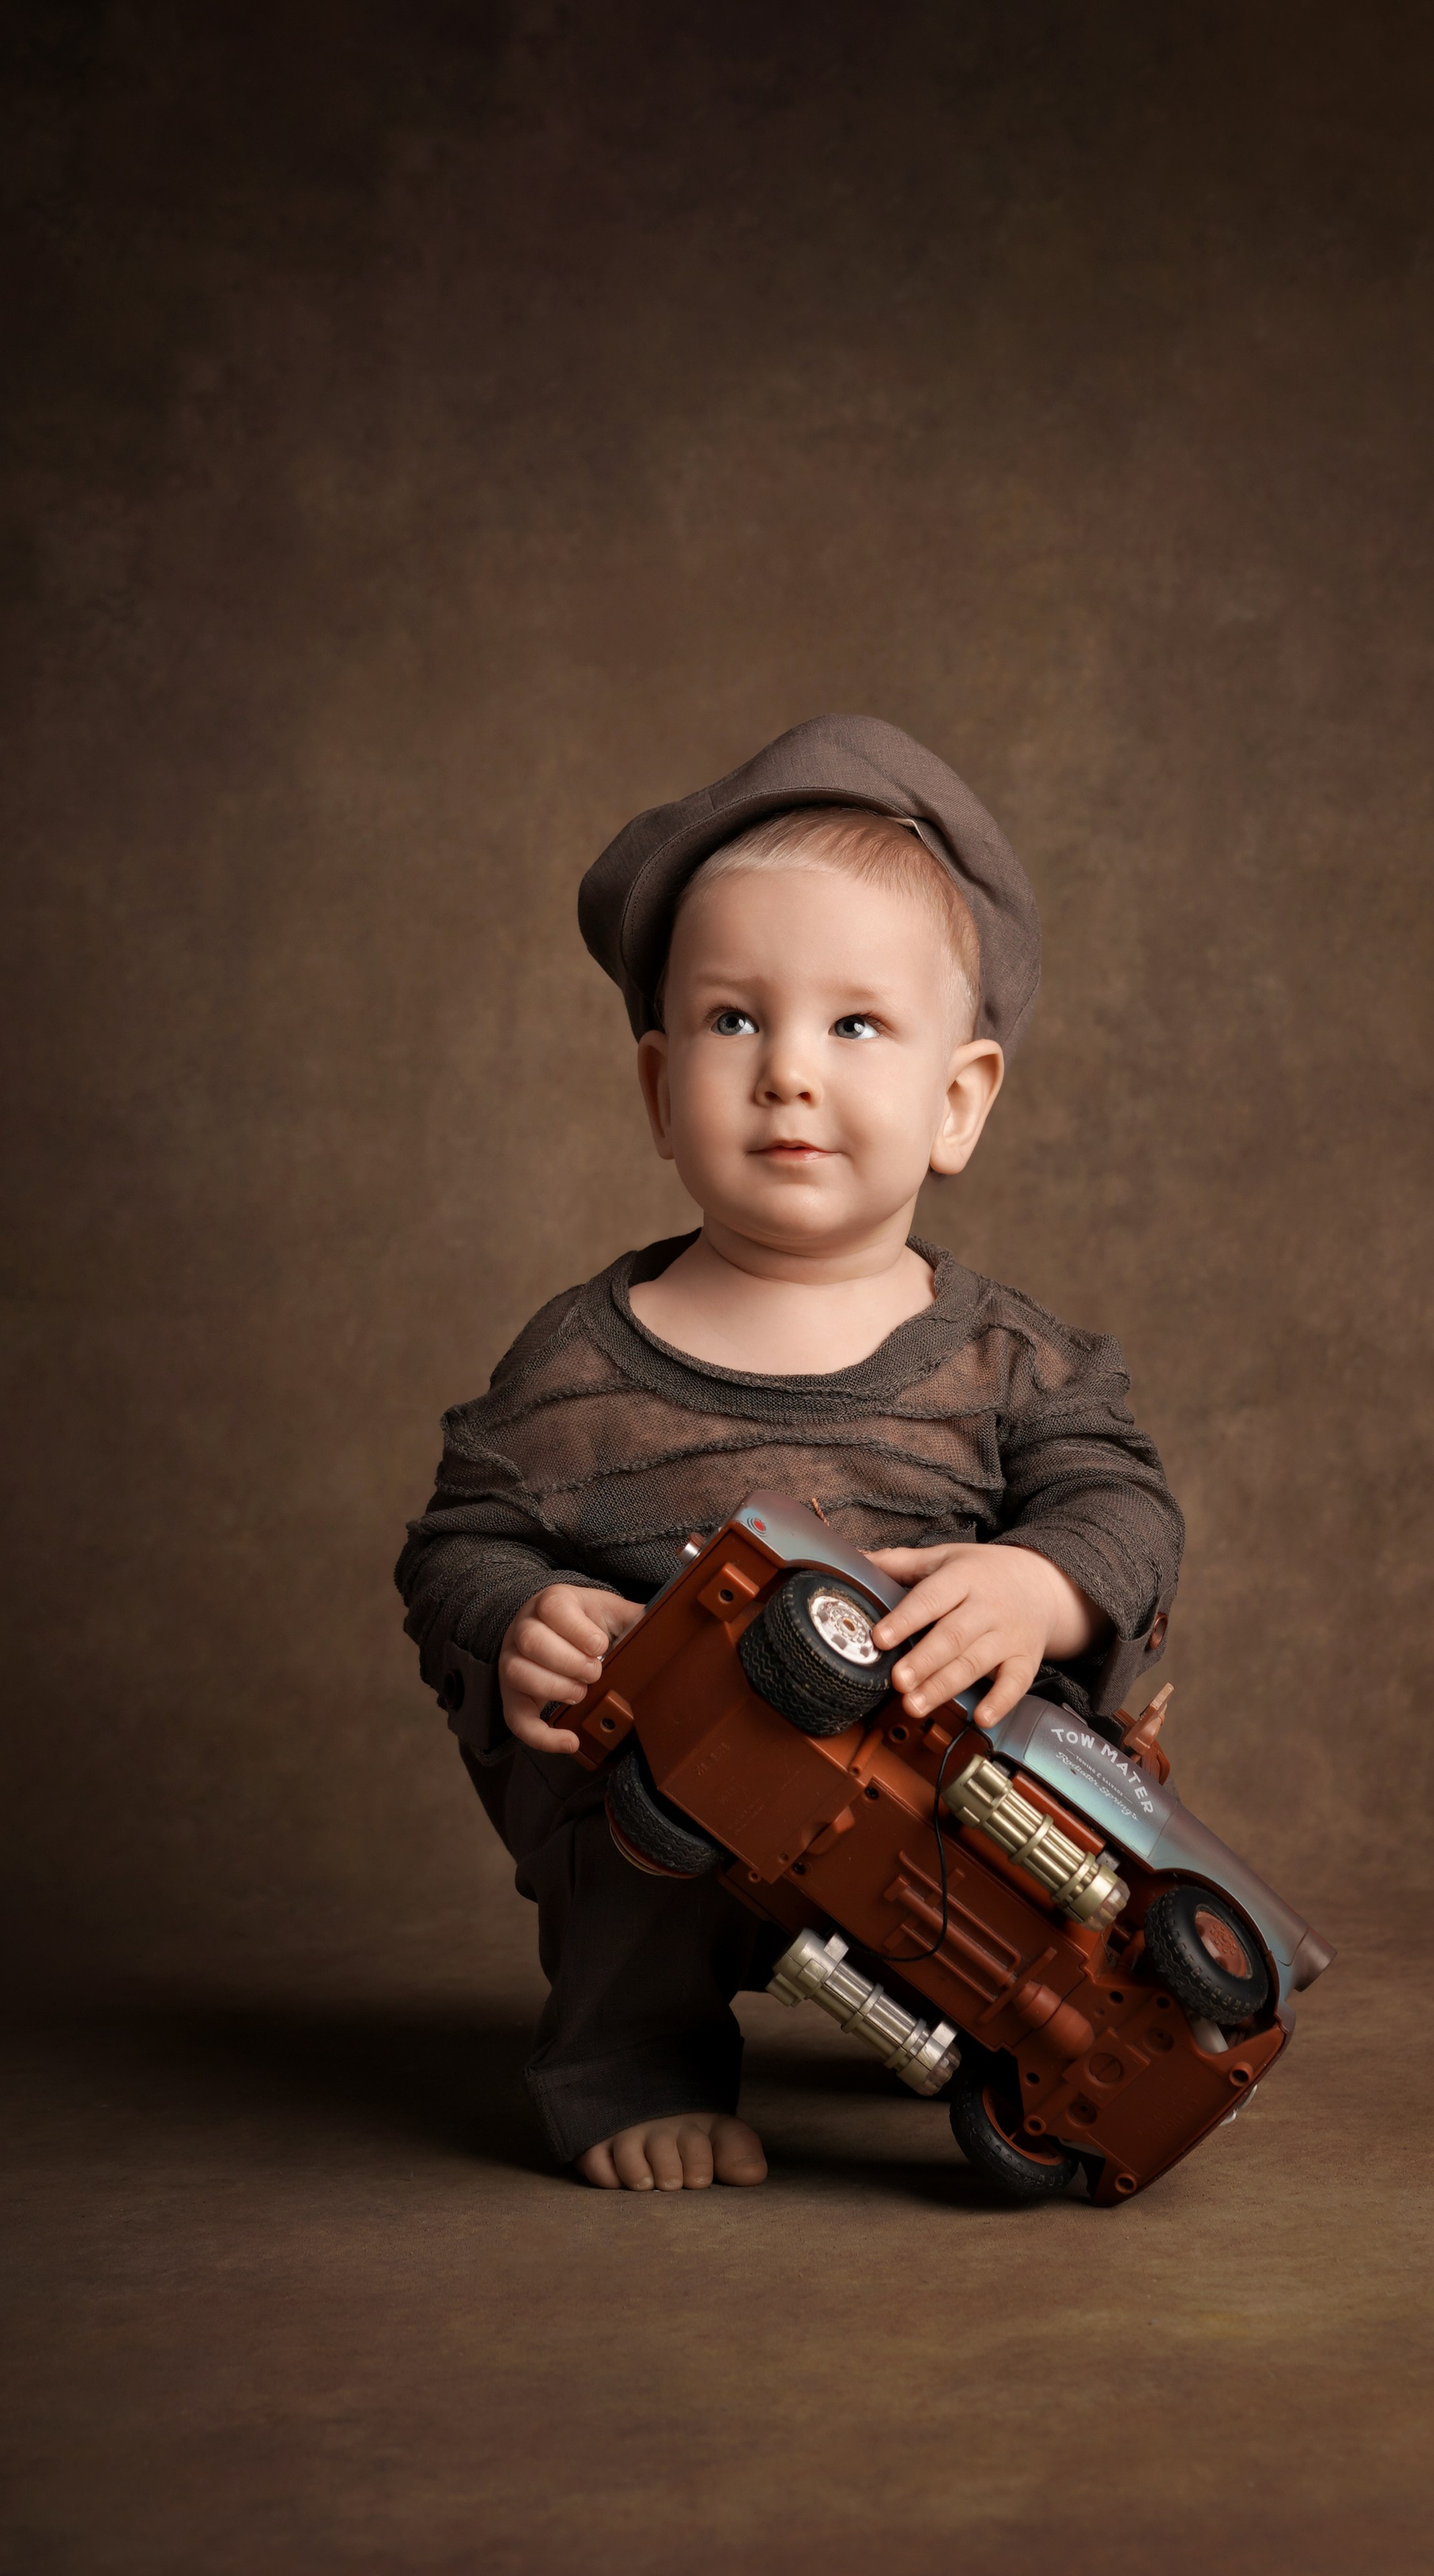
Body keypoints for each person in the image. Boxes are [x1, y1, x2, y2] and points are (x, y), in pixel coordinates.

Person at [396, 716, 1183, 2193]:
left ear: (958, 1101)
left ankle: (1003, 2040)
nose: (786, 1076)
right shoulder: (578, 1366)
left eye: (855, 1025)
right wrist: (514, 1616)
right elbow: (456, 1543)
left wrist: (1038, 1585)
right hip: (676, 1816)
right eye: (733, 1021)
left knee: (1065, 1877)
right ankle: (631, 2060)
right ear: (654, 1089)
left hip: (940, 1802)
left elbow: (1121, 1505)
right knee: (633, 1832)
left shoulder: (1007, 1363)